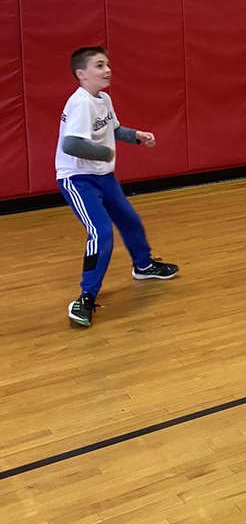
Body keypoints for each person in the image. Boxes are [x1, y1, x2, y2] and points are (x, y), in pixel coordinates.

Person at [56, 46, 179, 327]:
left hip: (104, 177)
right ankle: (86, 297)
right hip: (77, 179)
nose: (107, 69)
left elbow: (112, 130)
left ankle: (144, 266)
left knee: (130, 221)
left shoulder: (103, 100)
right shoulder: (80, 103)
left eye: (107, 64)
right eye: (99, 65)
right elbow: (71, 144)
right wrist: (104, 153)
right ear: (81, 74)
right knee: (101, 233)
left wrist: (136, 136)